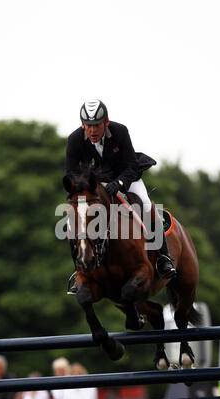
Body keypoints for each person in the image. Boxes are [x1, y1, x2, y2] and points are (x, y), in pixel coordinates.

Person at [65, 99, 176, 293]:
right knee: (71, 222)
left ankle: (163, 258)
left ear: (105, 122)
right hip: (94, 188)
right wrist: (91, 188)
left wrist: (118, 184)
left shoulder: (120, 132)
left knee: (147, 206)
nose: (92, 131)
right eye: (88, 126)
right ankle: (79, 270)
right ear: (83, 124)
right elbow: (71, 174)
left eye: (96, 125)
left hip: (126, 179)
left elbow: (131, 166)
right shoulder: (74, 140)